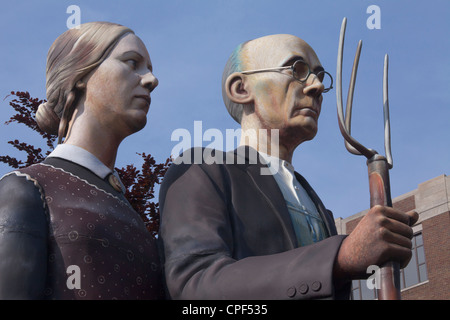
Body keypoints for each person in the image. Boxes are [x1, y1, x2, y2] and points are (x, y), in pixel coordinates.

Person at [158, 34, 418, 299]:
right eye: (298, 70)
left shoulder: (313, 200)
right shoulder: (204, 170)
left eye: (319, 75)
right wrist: (338, 256)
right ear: (241, 89)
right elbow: (194, 285)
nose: (316, 86)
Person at [0, 22, 163, 299]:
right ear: (80, 74)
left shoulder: (133, 219)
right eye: (132, 63)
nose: (151, 80)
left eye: (148, 68)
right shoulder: (27, 189)